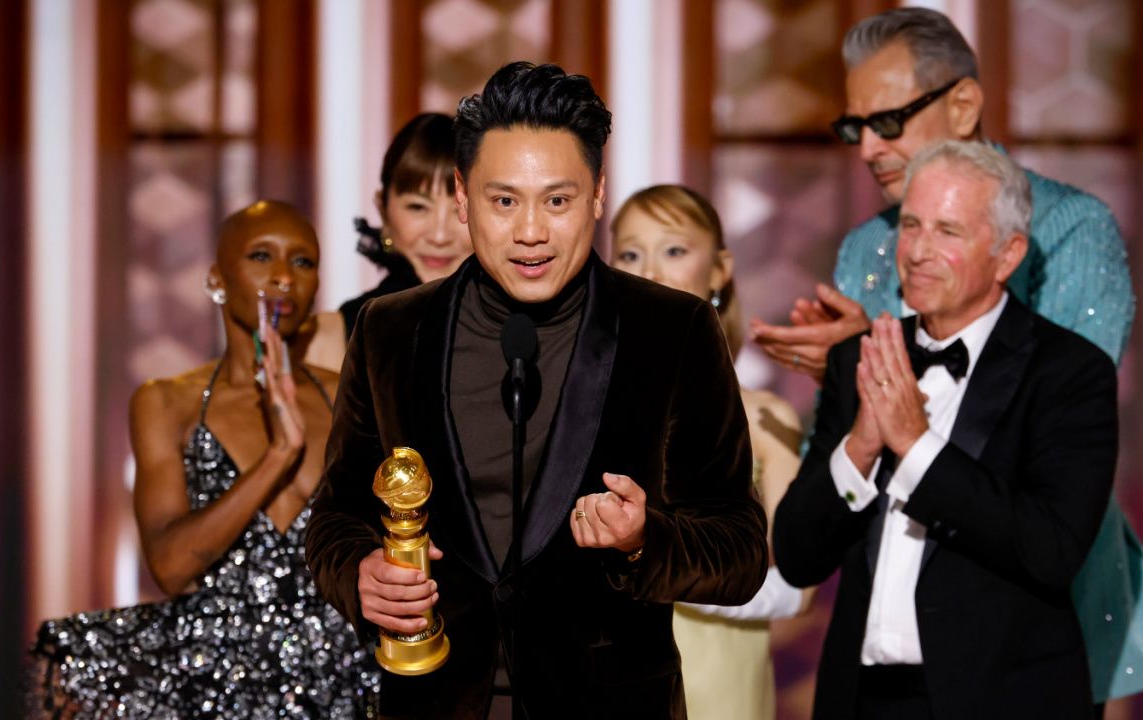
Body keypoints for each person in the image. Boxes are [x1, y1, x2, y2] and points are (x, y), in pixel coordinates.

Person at [305, 62, 768, 719]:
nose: (531, 232)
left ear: (599, 193)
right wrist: (359, 575)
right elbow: (335, 516)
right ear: (463, 197)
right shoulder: (390, 330)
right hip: (432, 699)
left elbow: (741, 552)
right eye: (504, 201)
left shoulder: (674, 330)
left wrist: (646, 540)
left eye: (558, 200)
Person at [751, 7, 1143, 705]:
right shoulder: (868, 243)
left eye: (886, 121)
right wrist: (857, 375)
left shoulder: (1072, 228)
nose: (866, 148)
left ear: (963, 104)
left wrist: (906, 424)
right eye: (852, 127)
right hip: (881, 638)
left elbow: (1057, 435)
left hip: (1021, 621)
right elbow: (815, 520)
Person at [775, 140, 1118, 719]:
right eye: (911, 225)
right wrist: (860, 445)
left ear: (1007, 255)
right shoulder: (857, 360)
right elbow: (797, 555)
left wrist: (916, 447)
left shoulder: (1070, 373)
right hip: (861, 702)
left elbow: (1052, 549)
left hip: (1002, 701)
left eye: (948, 232)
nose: (917, 251)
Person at [27, 201, 380, 718]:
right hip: (217, 674)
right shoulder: (168, 402)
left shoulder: (349, 396)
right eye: (262, 256)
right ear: (217, 278)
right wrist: (280, 455)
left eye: (303, 263)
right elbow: (169, 567)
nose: (284, 276)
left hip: (346, 671)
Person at [611, 184, 810, 720]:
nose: (649, 271)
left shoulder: (766, 419)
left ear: (720, 269)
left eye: (674, 250)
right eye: (630, 253)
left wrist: (654, 562)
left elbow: (795, 590)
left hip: (719, 691)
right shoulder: (578, 409)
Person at [303, 113, 473, 370]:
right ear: (383, 209)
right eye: (418, 207)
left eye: (460, 209)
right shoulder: (331, 338)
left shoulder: (522, 329)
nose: (439, 236)